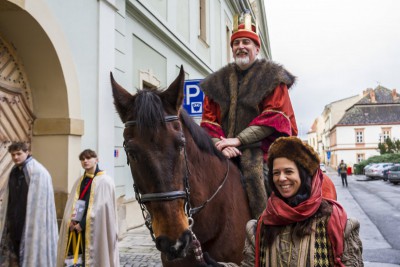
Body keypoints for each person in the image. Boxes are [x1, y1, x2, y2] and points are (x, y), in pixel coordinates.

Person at [198, 136, 363, 267]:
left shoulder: (338, 224)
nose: (281, 178)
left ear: (304, 175)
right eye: (276, 173)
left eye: (288, 171)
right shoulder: (261, 226)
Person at [200, 12, 298, 219]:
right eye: (236, 43)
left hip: (263, 151)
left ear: (257, 48)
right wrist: (222, 144)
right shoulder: (216, 83)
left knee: (278, 189)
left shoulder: (273, 78)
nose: (241, 46)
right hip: (224, 151)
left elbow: (274, 118)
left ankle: (272, 234)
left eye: (246, 42)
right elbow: (209, 122)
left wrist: (238, 140)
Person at [57, 149, 119, 267]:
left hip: (95, 227)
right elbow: (75, 203)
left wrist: (83, 224)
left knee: (95, 258)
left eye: (88, 158)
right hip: (77, 227)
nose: (85, 161)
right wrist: (72, 220)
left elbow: (101, 209)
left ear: (96, 160)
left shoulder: (105, 181)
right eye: (82, 159)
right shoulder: (80, 181)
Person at [0, 142, 58, 267]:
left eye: (19, 154)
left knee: (31, 255)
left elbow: (40, 204)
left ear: (27, 152)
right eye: (13, 155)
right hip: (15, 223)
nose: (15, 157)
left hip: (32, 223)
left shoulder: (38, 172)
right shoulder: (14, 171)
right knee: (15, 255)